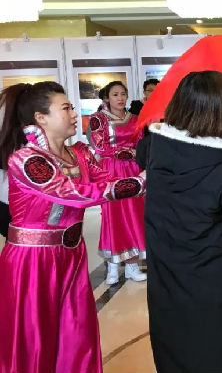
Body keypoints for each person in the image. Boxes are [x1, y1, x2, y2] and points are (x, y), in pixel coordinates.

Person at [0, 81, 145, 373]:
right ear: (41, 118)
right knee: (35, 338)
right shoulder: (27, 160)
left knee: (75, 332)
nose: (74, 113)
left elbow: (107, 181)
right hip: (33, 261)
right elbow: (73, 193)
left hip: (72, 255)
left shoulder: (80, 153)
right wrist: (142, 182)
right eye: (65, 108)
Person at [144, 71, 222, 373]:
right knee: (220, 350)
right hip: (216, 283)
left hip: (167, 274)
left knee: (176, 345)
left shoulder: (153, 149)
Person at [87, 81, 147, 284]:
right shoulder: (98, 119)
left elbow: (141, 144)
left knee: (134, 216)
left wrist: (136, 154)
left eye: (123, 94)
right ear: (106, 98)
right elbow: (100, 147)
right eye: (115, 94)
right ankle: (113, 264)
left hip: (133, 171)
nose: (120, 98)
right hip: (110, 172)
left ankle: (132, 265)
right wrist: (131, 152)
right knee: (113, 217)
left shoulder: (135, 118)